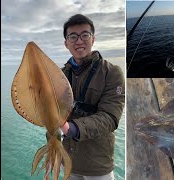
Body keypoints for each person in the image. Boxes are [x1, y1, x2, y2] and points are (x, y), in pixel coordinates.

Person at [59, 14, 125, 180]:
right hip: (67, 160)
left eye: (85, 35)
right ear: (66, 43)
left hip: (97, 165)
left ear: (93, 39)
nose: (79, 41)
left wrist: (72, 128)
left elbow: (110, 117)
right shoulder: (59, 75)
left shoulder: (112, 73)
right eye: (73, 36)